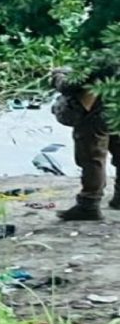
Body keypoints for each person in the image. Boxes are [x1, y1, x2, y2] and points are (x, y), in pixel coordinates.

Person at [52, 67, 120, 221]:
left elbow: (70, 85)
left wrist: (58, 75)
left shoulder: (100, 56)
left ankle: (88, 204)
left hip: (96, 110)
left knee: (92, 158)